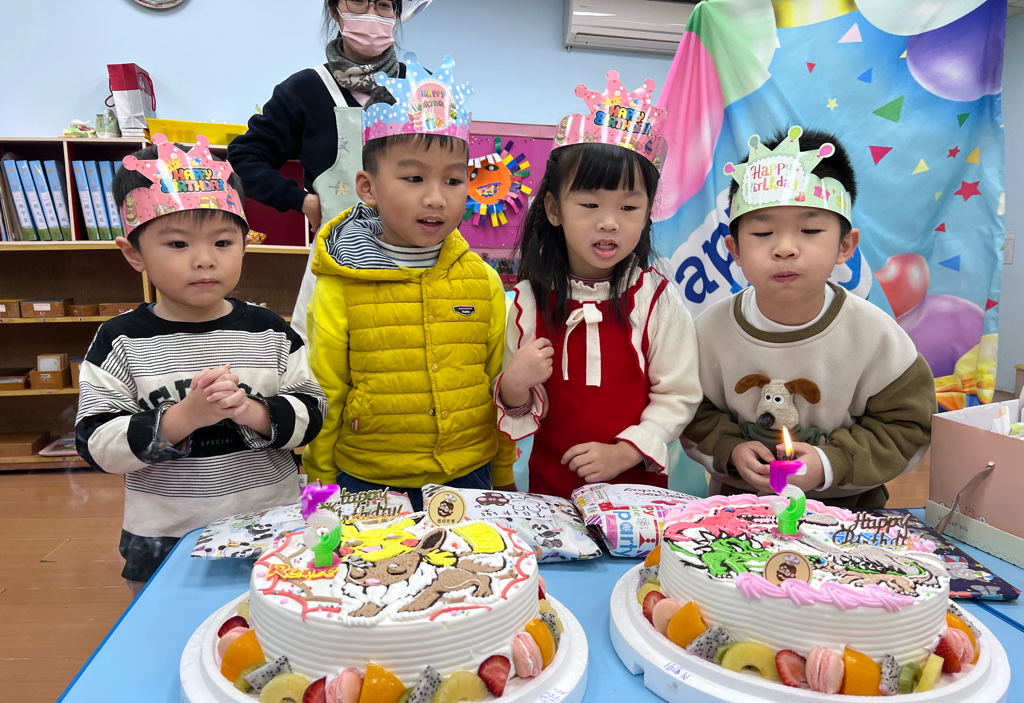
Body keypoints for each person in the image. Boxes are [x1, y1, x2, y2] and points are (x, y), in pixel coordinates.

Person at [75, 136, 327, 595]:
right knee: (167, 629)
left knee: (268, 627)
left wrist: (253, 411)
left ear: (245, 244)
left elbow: (312, 412)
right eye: (177, 243)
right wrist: (182, 418)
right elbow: (96, 443)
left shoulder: (271, 331)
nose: (205, 259)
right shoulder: (120, 341)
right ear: (134, 253)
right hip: (164, 539)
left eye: (223, 241)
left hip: (271, 528)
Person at [302, 54, 515, 510]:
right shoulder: (340, 284)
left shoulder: (482, 281)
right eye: (414, 177)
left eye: (453, 180)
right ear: (368, 187)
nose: (436, 198)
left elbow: (495, 384)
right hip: (368, 479)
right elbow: (326, 393)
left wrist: (503, 474)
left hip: (469, 473)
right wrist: (318, 490)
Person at [682, 126, 936, 508]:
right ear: (735, 250)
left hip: (850, 516)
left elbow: (908, 425)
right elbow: (691, 410)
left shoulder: (877, 336)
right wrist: (730, 449)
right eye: (763, 232)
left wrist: (830, 463)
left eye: (810, 229)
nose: (785, 248)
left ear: (845, 245)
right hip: (738, 512)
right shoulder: (708, 332)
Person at [495, 71, 703, 500]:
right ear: (554, 209)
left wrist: (626, 451)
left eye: (629, 207)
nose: (609, 222)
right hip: (550, 496)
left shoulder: (656, 299)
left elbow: (679, 394)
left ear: (647, 213)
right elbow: (514, 408)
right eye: (590, 204)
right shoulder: (525, 304)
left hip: (638, 494)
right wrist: (514, 385)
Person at [227, 0, 410, 341]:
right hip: (338, 257)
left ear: (396, 15)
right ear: (335, 10)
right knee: (327, 355)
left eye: (384, 5)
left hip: (417, 257)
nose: (371, 14)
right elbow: (244, 156)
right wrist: (300, 200)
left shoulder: (421, 87)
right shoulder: (305, 90)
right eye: (359, 2)